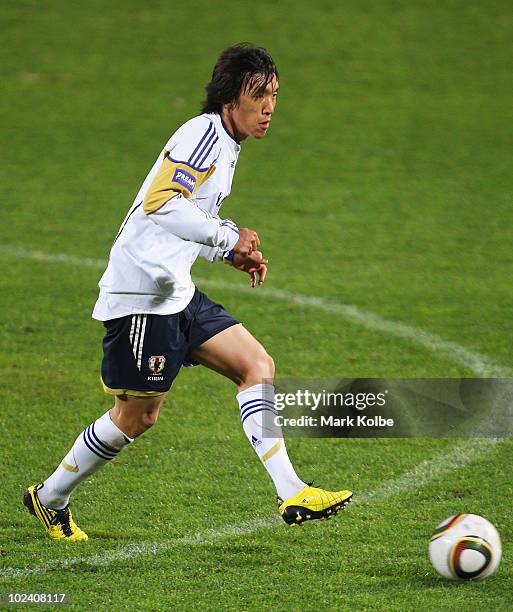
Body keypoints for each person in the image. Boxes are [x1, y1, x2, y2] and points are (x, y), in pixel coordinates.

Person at [23, 43, 352, 541]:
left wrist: (228, 251)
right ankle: (49, 497)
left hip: (176, 289)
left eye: (274, 94)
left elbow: (188, 215)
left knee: (255, 366)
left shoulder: (225, 144)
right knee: (136, 417)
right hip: (143, 298)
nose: (269, 106)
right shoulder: (202, 134)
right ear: (228, 98)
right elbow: (162, 203)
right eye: (258, 94)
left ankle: (292, 491)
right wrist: (226, 237)